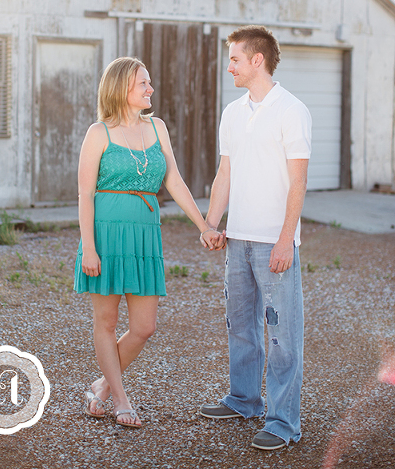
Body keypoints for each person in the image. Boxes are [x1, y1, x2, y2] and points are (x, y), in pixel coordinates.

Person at [74, 56, 224, 428]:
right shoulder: (99, 133)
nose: (150, 89)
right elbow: (83, 194)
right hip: (106, 234)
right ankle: (121, 399)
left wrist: (204, 225)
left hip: (144, 234)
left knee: (144, 327)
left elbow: (174, 181)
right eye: (143, 83)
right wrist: (88, 248)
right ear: (122, 88)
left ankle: (102, 386)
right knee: (105, 322)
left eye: (149, 83)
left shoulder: (157, 128)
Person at [199, 25, 312, 451]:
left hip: (274, 242)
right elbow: (224, 173)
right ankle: (244, 399)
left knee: (283, 335)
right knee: (241, 326)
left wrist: (287, 239)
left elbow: (299, 181)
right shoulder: (233, 112)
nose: (229, 67)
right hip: (238, 239)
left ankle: (284, 423)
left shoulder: (291, 110)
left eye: (234, 60)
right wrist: (211, 223)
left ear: (256, 60)